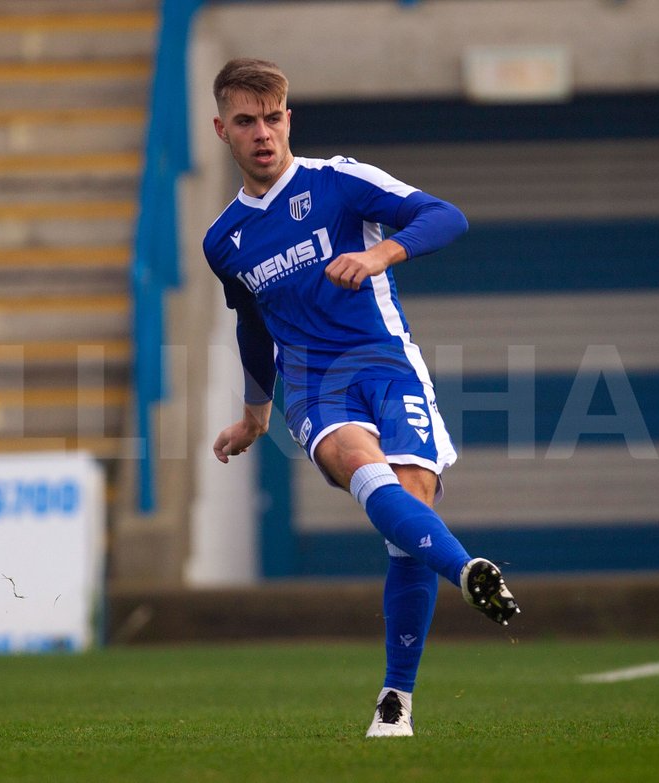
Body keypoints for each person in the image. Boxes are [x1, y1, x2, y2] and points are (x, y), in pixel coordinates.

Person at [201, 58, 519, 739]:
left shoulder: (339, 182)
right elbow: (251, 324)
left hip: (389, 365)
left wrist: (380, 255)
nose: (263, 133)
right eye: (247, 121)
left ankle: (395, 699)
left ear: (290, 119)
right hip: (316, 383)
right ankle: (467, 569)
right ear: (222, 130)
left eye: (274, 117)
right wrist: (255, 415)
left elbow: (446, 216)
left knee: (410, 515)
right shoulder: (223, 240)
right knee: (356, 459)